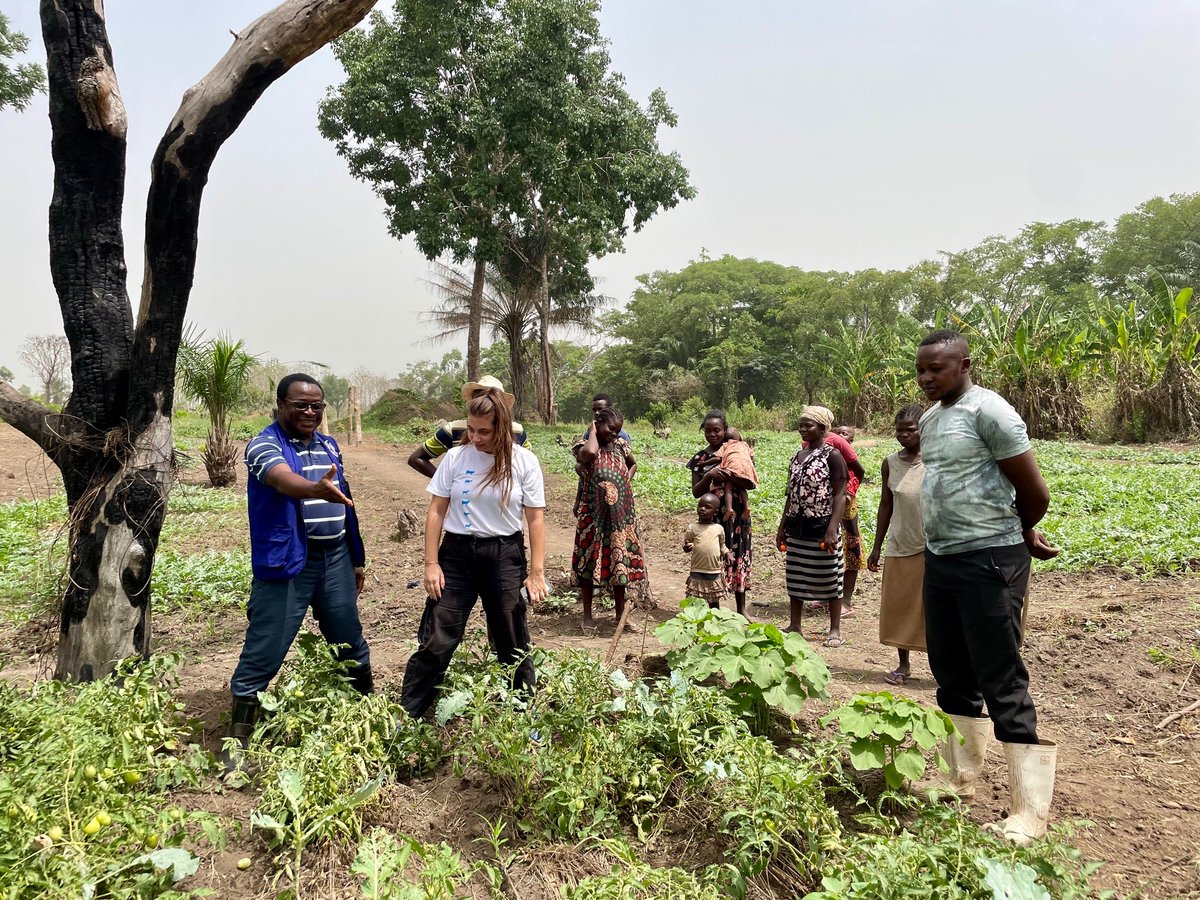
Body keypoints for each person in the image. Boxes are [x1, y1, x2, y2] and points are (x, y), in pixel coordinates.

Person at [915, 329, 1061, 845]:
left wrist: (1019, 532)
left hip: (990, 561)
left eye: (938, 368)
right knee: (951, 669)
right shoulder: (931, 418)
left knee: (1000, 673)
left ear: (965, 364)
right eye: (922, 370)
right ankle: (959, 779)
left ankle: (1028, 814)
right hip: (943, 558)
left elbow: (1032, 490)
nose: (928, 378)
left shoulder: (990, 412)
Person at [224, 374, 372, 771]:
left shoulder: (328, 444)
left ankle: (363, 713)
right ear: (280, 406)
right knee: (266, 647)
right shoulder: (264, 444)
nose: (309, 412)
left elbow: (345, 503)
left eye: (317, 406)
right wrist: (313, 489)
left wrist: (356, 558)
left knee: (348, 639)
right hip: (290, 561)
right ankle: (237, 740)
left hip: (335, 557)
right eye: (301, 405)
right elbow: (281, 479)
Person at [400, 389, 547, 718]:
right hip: (457, 556)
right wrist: (431, 564)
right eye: (471, 430)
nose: (476, 439)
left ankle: (522, 716)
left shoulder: (523, 461)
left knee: (512, 639)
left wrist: (535, 573)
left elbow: (535, 518)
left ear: (503, 427)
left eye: (485, 431)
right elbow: (436, 511)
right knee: (438, 638)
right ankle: (408, 718)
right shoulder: (455, 458)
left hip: (504, 555)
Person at [776, 406, 848, 646]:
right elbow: (790, 495)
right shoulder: (797, 457)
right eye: (802, 424)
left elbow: (840, 495)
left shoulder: (832, 456)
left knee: (830, 577)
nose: (804, 429)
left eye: (809, 425)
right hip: (797, 525)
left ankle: (834, 630)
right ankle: (795, 625)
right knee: (796, 575)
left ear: (822, 428)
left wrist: (831, 529)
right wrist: (782, 527)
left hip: (822, 525)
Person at [866, 404, 927, 686]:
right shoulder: (891, 462)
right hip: (901, 542)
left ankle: (945, 665)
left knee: (937, 609)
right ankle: (903, 665)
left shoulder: (938, 459)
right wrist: (877, 546)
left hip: (935, 546)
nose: (903, 435)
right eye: (899, 430)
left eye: (910, 429)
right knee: (899, 605)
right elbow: (886, 505)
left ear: (923, 428)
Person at [572, 406, 646, 629]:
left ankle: (620, 616)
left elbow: (633, 464)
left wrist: (623, 482)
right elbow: (591, 454)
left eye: (618, 430)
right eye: (610, 428)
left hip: (619, 517)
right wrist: (592, 432)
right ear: (597, 423)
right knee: (588, 561)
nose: (614, 433)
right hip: (593, 517)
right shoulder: (582, 446)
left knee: (619, 563)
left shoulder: (621, 447)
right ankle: (587, 616)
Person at [687, 411, 752, 617]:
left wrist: (731, 474)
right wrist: (709, 476)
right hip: (712, 517)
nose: (712, 434)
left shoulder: (737, 451)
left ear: (725, 430)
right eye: (708, 431)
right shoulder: (700, 458)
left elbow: (748, 480)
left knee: (738, 555)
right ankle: (714, 611)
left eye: (717, 430)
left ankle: (741, 610)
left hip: (737, 514)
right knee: (713, 557)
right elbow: (696, 492)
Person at [407, 375, 527, 477]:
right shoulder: (452, 430)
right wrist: (445, 484)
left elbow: (527, 466)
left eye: (484, 432)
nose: (475, 438)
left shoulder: (516, 432)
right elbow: (416, 458)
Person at [829, 422, 867, 617]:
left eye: (845, 434)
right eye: (838, 433)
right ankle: (827, 596)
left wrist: (850, 493)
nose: (840, 436)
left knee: (851, 552)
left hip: (847, 512)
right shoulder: (827, 457)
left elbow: (858, 475)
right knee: (830, 552)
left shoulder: (849, 463)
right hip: (829, 511)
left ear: (850, 442)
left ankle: (846, 600)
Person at [682, 493, 733, 609]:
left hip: (713, 571)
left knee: (713, 600)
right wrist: (686, 548)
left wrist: (727, 554)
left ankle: (714, 622)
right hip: (697, 569)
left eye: (707, 507)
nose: (702, 509)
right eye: (700, 506)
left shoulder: (718, 529)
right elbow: (687, 544)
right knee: (695, 600)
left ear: (715, 512)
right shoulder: (692, 528)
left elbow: (722, 545)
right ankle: (694, 621)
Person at [713, 426, 758, 529]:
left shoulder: (726, 445)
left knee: (728, 485)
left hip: (733, 468)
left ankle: (729, 508)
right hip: (746, 469)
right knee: (742, 487)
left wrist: (705, 462)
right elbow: (752, 457)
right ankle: (747, 507)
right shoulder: (745, 445)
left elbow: (717, 457)